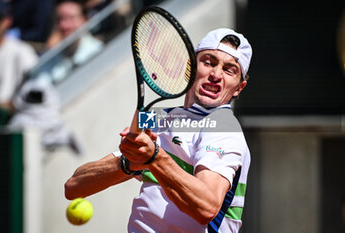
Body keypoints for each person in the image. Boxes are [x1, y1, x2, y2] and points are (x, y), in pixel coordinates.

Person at [65, 28, 252, 233]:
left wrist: (154, 157)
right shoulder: (159, 117)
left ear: (239, 88)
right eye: (208, 62)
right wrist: (129, 161)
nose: (216, 74)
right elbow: (73, 187)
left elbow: (206, 208)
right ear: (189, 67)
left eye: (229, 69)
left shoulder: (224, 127)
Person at [41, 0, 103, 83]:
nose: (64, 25)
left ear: (84, 20)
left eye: (70, 18)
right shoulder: (48, 62)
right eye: (59, 19)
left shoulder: (100, 52)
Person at [0, 0, 38, 113]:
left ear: (7, 21)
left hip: (12, 118)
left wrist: (13, 104)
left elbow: (36, 88)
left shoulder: (21, 52)